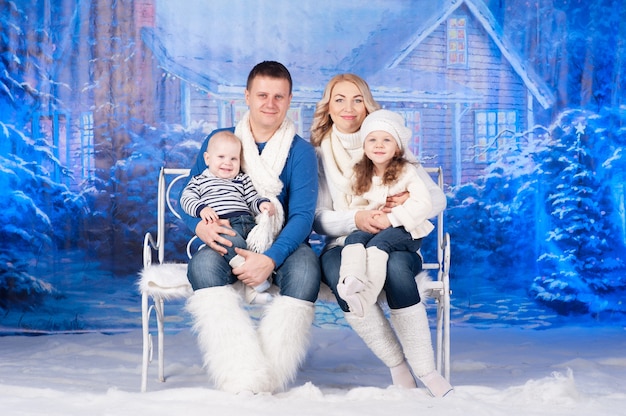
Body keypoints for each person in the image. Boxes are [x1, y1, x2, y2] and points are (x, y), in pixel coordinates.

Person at [180, 61, 321, 394]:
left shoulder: (300, 152)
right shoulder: (221, 143)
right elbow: (192, 190)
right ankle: (240, 371)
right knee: (201, 265)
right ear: (246, 96)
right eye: (262, 95)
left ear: (289, 100)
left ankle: (270, 375)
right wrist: (199, 227)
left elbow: (302, 216)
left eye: (278, 96)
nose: (269, 104)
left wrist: (270, 259)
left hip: (281, 237)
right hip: (228, 235)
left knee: (305, 272)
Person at [311, 73, 453, 397]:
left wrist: (402, 204)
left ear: (367, 106)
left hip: (395, 235)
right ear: (328, 107)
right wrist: (356, 218)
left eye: (357, 99)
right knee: (340, 274)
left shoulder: (386, 140)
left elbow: (438, 199)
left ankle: (426, 369)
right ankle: (398, 365)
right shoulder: (319, 154)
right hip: (345, 242)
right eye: (339, 99)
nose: (349, 107)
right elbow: (318, 220)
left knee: (396, 268)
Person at [337, 109, 435, 318]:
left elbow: (424, 203)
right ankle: (351, 279)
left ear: (397, 148)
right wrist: (368, 216)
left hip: (405, 230)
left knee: (376, 245)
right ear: (364, 147)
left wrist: (391, 218)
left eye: (386, 140)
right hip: (376, 228)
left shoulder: (407, 172)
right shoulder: (360, 173)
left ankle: (365, 296)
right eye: (372, 140)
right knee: (354, 238)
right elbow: (352, 204)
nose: (379, 145)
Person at [179, 130, 276, 305]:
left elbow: (251, 198)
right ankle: (255, 286)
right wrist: (201, 209)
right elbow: (186, 199)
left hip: (248, 224)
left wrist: (261, 204)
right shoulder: (200, 180)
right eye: (221, 157)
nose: (227, 163)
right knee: (233, 243)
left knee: (255, 248)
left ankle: (250, 288)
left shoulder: (242, 180)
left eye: (233, 159)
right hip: (223, 225)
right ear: (207, 159)